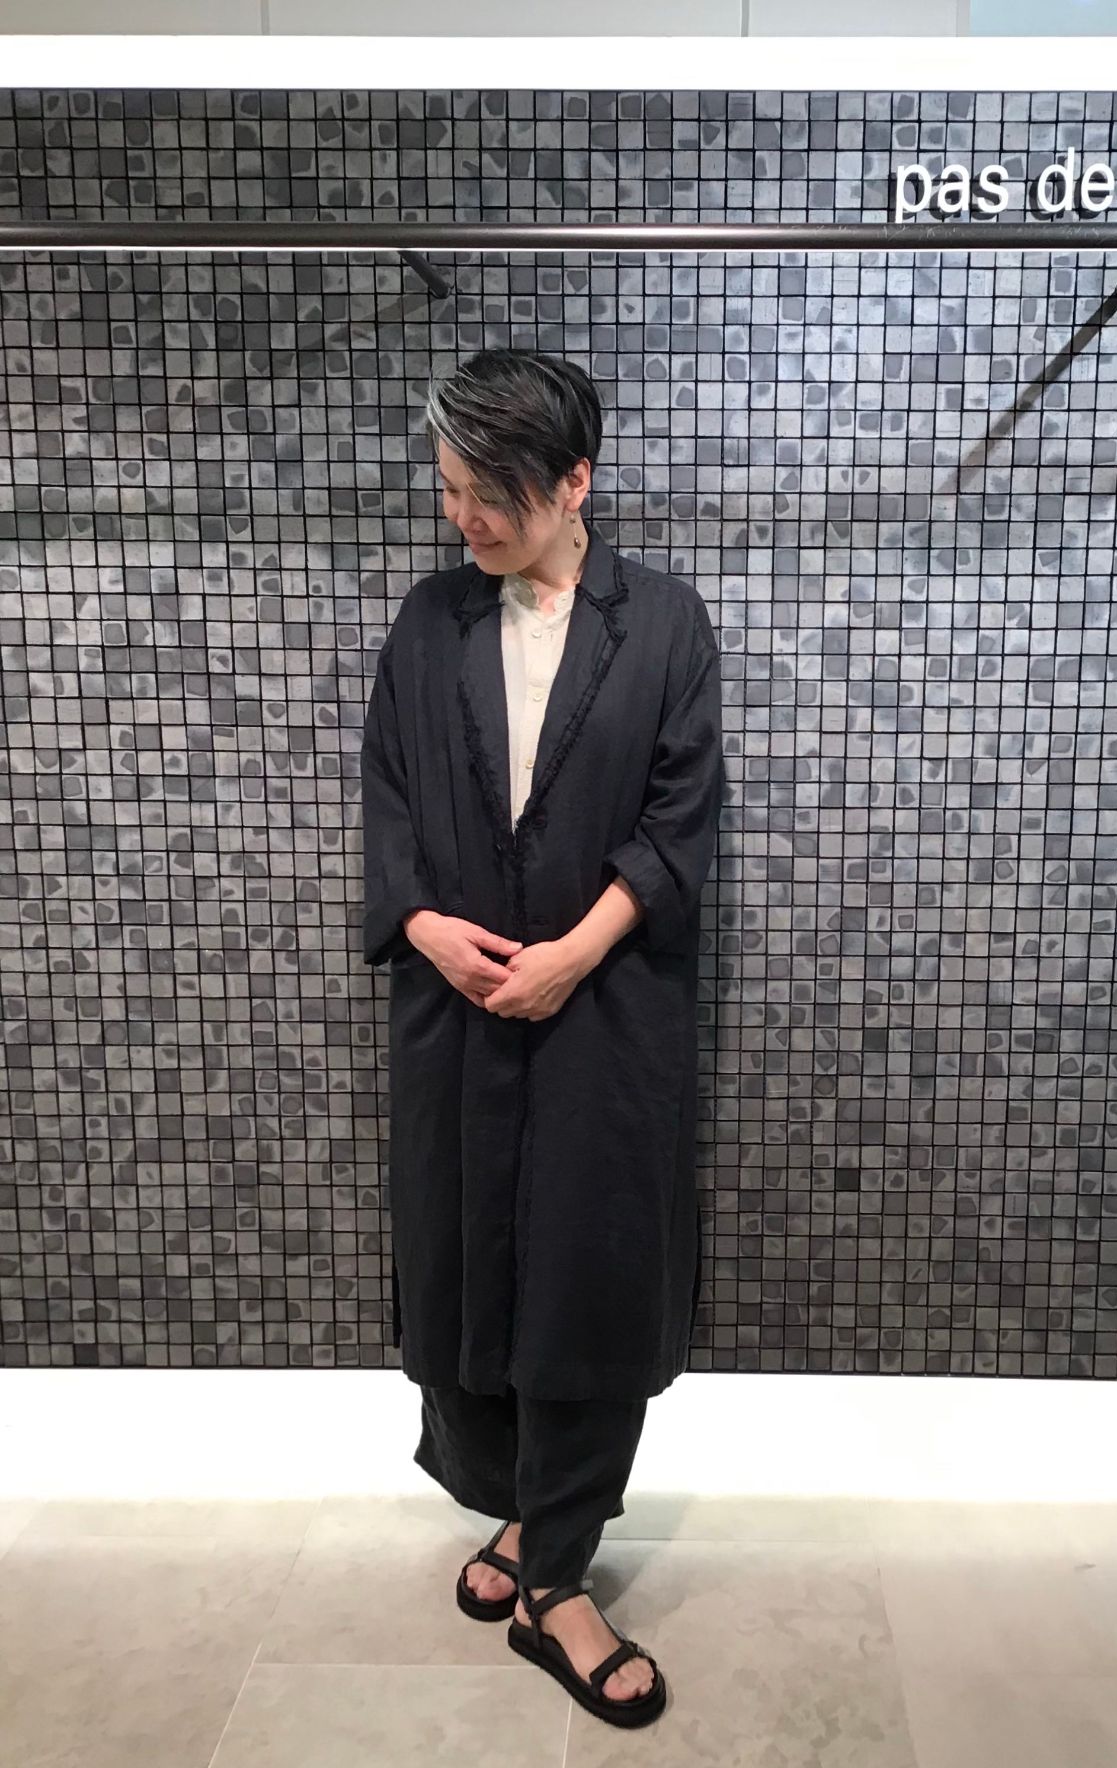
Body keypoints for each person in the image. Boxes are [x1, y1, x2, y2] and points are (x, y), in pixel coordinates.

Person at [359, 347, 726, 1729]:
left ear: (574, 482)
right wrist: (424, 926)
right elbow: (388, 799)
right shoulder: (429, 621)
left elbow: (681, 820)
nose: (463, 518)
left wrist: (575, 953)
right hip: (454, 1012)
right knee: (465, 1267)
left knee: (587, 1280)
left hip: (606, 1012)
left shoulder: (665, 625)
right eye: (449, 488)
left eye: (490, 493)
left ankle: (556, 1579)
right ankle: (520, 1509)